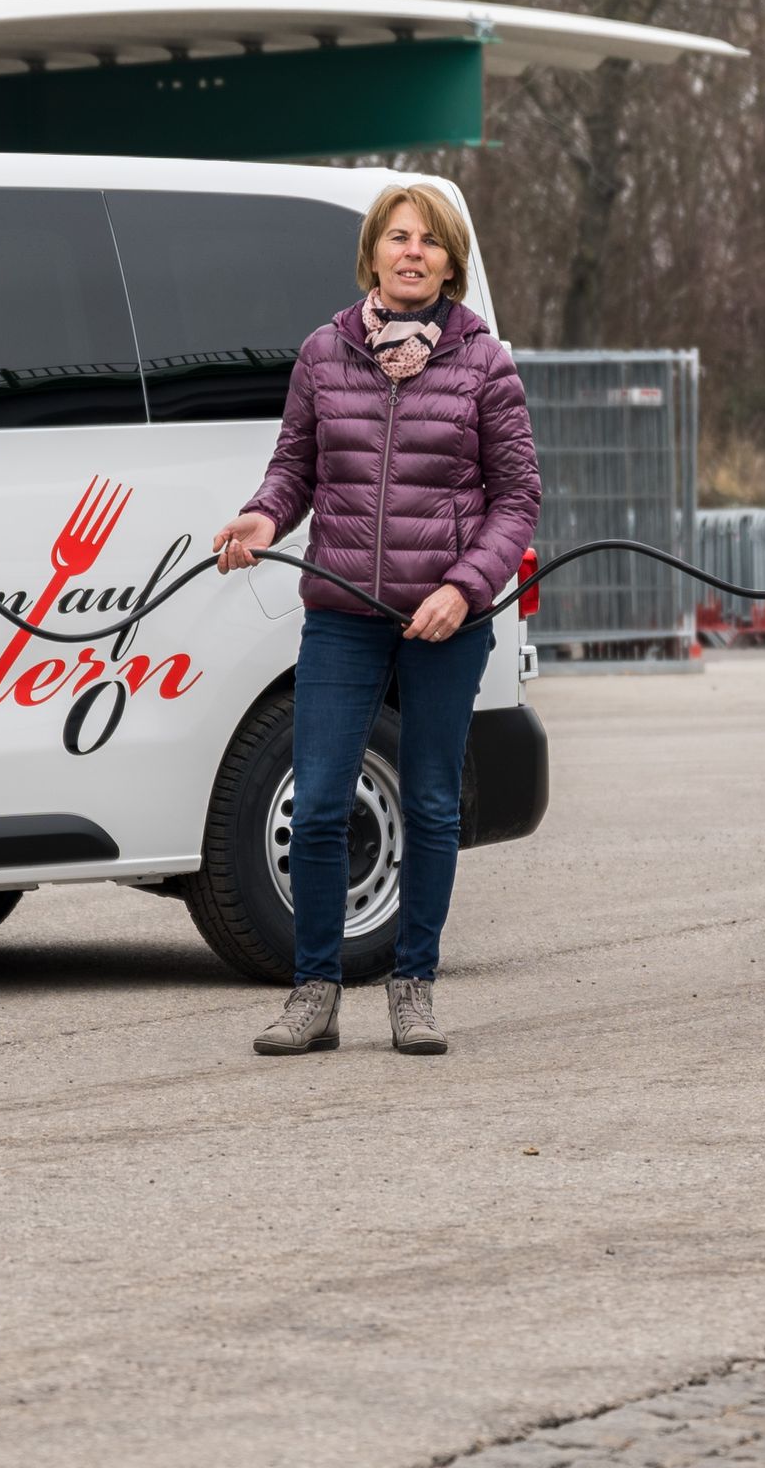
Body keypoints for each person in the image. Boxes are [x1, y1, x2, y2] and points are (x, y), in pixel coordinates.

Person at [210, 182, 541, 1058]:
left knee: (431, 803)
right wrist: (262, 518)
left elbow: (517, 501)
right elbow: (294, 470)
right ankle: (314, 994)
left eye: (429, 241)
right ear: (374, 253)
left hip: (445, 618)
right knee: (318, 804)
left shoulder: (484, 363)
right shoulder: (325, 354)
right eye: (398, 237)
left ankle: (414, 988)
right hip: (343, 610)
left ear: (450, 261)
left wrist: (466, 588)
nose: (412, 252)